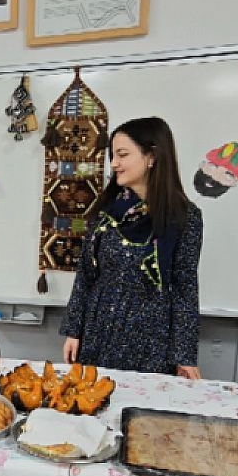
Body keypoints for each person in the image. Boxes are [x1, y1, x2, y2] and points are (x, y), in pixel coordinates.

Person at [60, 117, 203, 377]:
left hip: (151, 339)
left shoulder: (184, 217)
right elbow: (86, 275)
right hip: (98, 331)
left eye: (123, 154)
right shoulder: (105, 211)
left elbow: (185, 288)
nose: (114, 163)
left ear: (152, 156)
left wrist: (184, 356)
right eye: (113, 155)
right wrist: (73, 331)